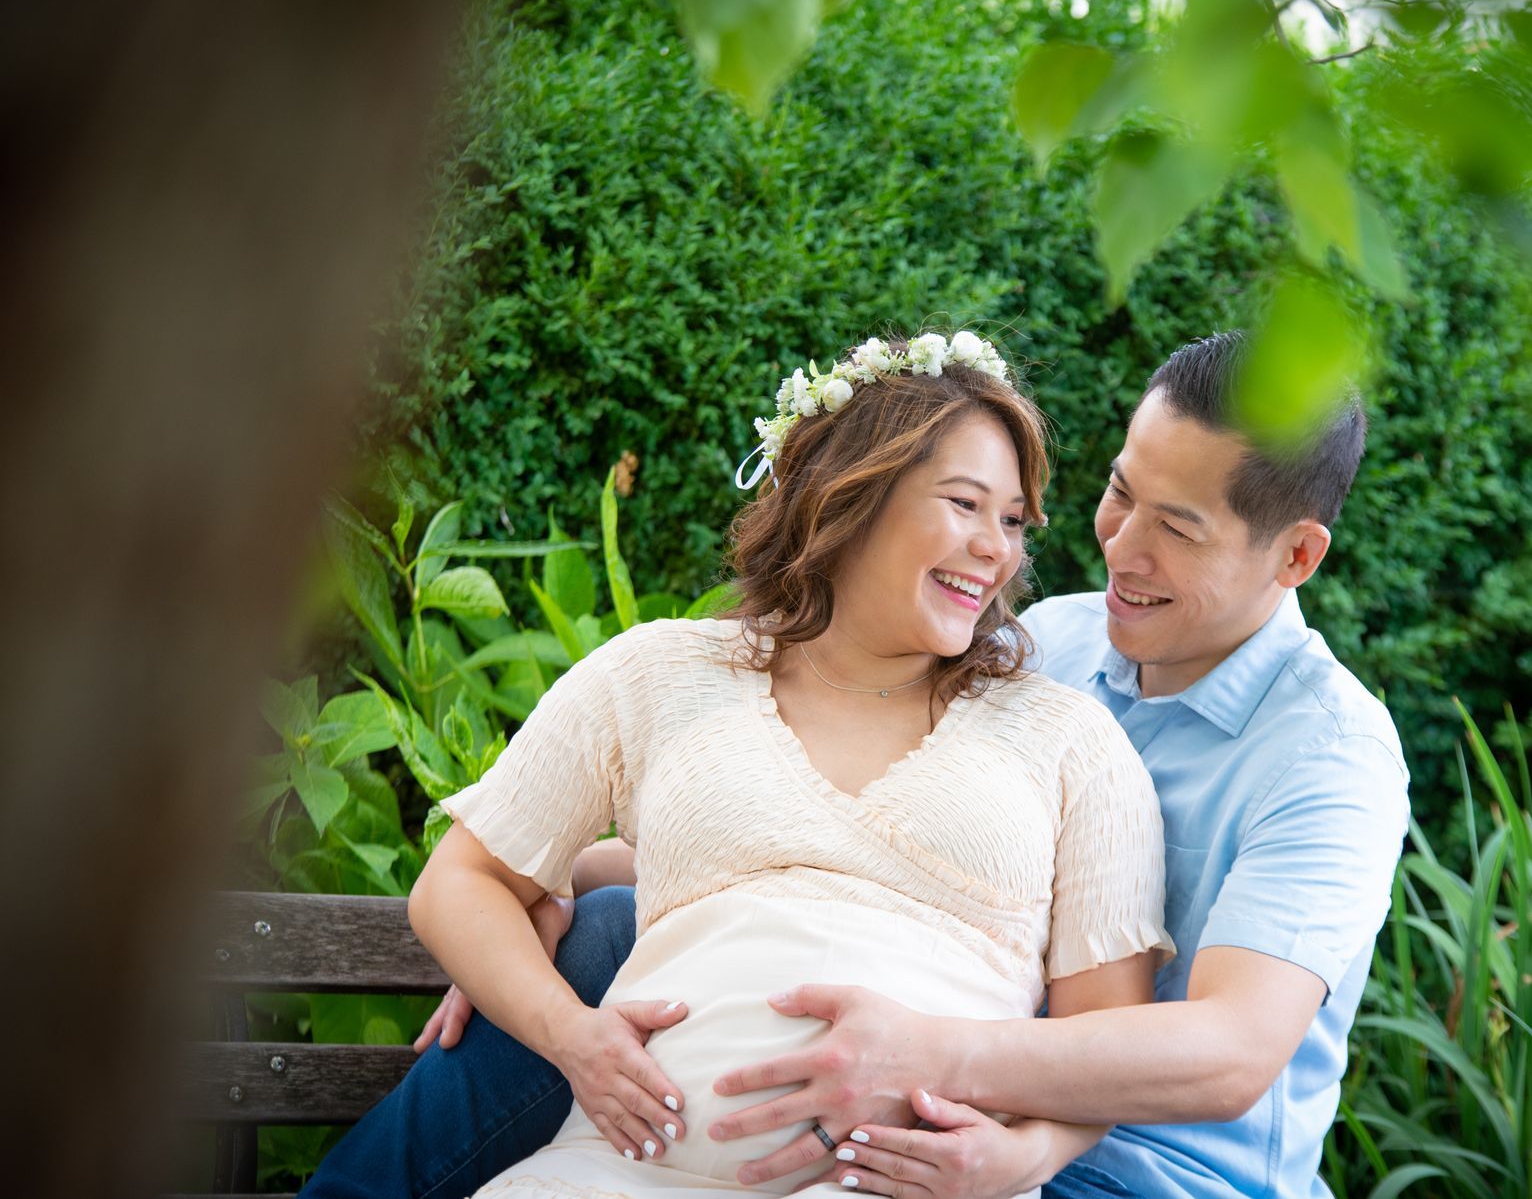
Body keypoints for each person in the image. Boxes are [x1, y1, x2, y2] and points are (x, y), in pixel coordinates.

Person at [304, 329, 1410, 1199]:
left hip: (1137, 1178)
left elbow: (1226, 1052)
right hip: (894, 1124)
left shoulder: (1330, 755)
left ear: (1298, 554)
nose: (1118, 547)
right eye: (1119, 493)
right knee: (599, 931)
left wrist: (974, 1103)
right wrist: (532, 890)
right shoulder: (1057, 645)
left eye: (1176, 526)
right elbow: (840, 827)